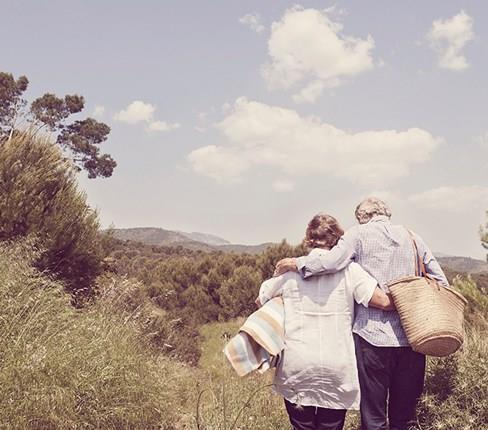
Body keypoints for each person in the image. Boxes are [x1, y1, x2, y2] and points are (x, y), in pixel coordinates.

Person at [274, 197, 448, 430]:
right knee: (404, 418)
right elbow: (440, 282)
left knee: (374, 419)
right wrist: (409, 300)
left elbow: (331, 263)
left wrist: (295, 263)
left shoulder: (357, 234)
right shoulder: (414, 238)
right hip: (412, 338)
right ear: (386, 214)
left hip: (371, 340)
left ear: (362, 217)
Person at [258, 213, 395, 430]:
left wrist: (278, 275)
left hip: (297, 366)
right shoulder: (350, 271)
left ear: (308, 239)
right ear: (338, 240)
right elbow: (383, 301)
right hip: (336, 366)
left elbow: (261, 300)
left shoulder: (290, 273)